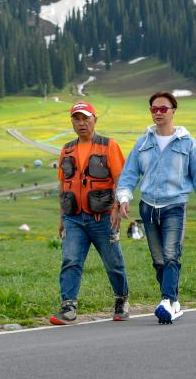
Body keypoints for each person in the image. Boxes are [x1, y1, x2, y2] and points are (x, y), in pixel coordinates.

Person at [116, 91, 196, 324]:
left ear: (173, 111)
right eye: (154, 109)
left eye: (163, 109)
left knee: (171, 256)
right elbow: (129, 173)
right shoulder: (143, 142)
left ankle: (167, 301)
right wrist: (124, 197)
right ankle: (175, 304)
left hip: (174, 206)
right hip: (148, 207)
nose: (158, 113)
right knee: (158, 259)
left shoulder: (187, 143)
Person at [49, 101, 129, 325]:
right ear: (72, 121)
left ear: (95, 119)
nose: (81, 123)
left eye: (86, 118)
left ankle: (121, 300)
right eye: (77, 118)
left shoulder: (108, 145)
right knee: (70, 260)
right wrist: (62, 217)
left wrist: (117, 208)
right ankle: (68, 308)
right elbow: (63, 184)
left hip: (103, 216)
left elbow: (120, 180)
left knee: (113, 262)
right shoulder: (67, 149)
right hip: (73, 217)